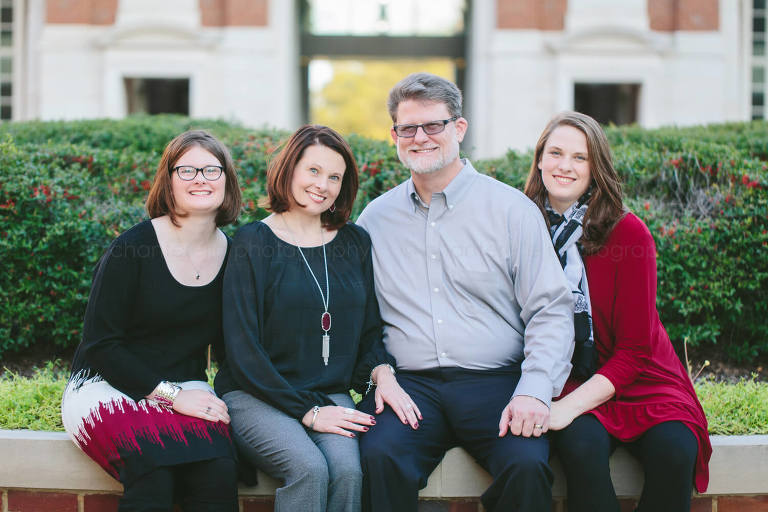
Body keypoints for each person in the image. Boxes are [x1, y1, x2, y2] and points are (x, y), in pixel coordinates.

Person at [355, 72, 575, 512]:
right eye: (407, 128)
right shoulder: (375, 220)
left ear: (459, 128)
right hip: (411, 386)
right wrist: (380, 374)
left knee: (526, 466)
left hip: (497, 382)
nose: (420, 138)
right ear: (394, 136)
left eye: (433, 125)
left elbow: (550, 309)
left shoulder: (511, 210)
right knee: (377, 457)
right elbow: (360, 318)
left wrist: (534, 389)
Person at [215, 125, 417, 512]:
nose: (322, 185)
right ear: (289, 169)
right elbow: (242, 350)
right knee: (308, 469)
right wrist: (308, 411)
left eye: (334, 177)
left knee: (349, 472)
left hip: (327, 392)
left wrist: (383, 373)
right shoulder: (252, 242)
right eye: (313, 171)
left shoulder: (354, 242)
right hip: (255, 393)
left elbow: (369, 331)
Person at [524, 111, 712, 512]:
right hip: (570, 376)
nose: (565, 166)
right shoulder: (521, 226)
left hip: (643, 378)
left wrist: (566, 409)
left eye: (580, 157)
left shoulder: (628, 233)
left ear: (596, 169)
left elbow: (635, 351)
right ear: (539, 159)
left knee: (676, 450)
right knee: (581, 447)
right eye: (556, 153)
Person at [61, 129, 243, 511]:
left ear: (227, 180)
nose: (200, 179)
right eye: (187, 170)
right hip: (106, 385)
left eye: (211, 170)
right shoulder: (131, 249)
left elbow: (232, 349)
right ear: (168, 181)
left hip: (187, 385)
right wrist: (172, 397)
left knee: (218, 472)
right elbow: (101, 345)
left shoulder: (234, 256)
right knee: (154, 473)